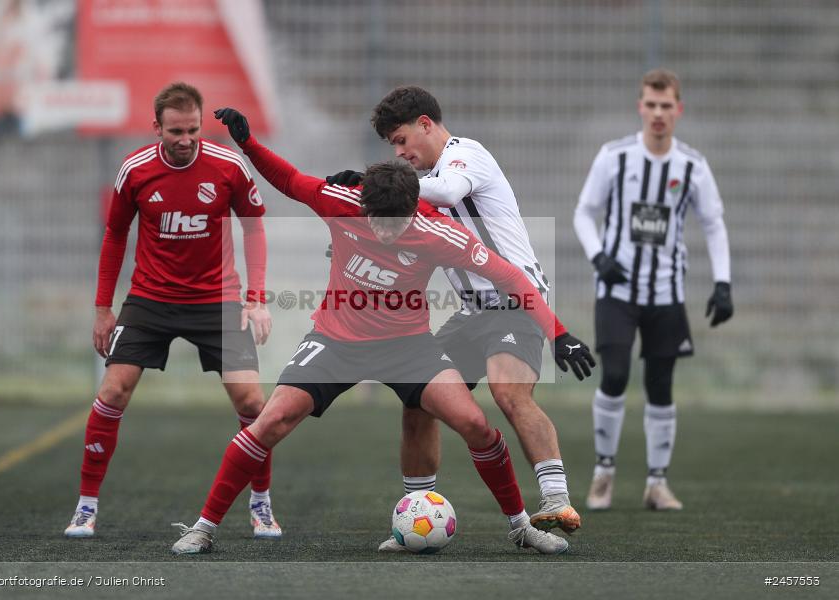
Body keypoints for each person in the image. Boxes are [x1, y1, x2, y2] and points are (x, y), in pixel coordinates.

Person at [169, 107, 595, 556]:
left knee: (474, 422)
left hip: (408, 346)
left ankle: (521, 527)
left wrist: (558, 332)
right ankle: (203, 527)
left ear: (414, 209)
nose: (384, 232)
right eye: (377, 221)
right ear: (363, 205)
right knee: (270, 421)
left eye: (396, 224)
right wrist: (248, 143)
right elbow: (290, 179)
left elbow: (512, 279)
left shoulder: (441, 232)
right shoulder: (341, 201)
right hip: (335, 341)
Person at [327, 85, 584, 550]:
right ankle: (415, 516)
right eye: (393, 149)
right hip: (470, 313)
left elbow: (447, 191)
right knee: (418, 401)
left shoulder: (467, 156)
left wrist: (377, 180)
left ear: (426, 123)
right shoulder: (418, 187)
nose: (401, 153)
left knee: (509, 393)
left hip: (514, 300)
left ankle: (555, 500)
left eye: (403, 140)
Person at [64, 82, 281, 540]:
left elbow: (255, 226)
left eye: (194, 130)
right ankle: (85, 507)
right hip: (151, 299)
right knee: (113, 392)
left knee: (253, 403)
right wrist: (103, 309)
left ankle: (261, 504)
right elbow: (115, 236)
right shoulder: (135, 170)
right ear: (157, 127)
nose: (185, 140)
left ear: (202, 125)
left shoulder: (228, 166)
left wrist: (256, 298)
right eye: (176, 131)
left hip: (218, 299)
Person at [572, 68, 733, 511]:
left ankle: (656, 484)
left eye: (667, 106)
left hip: (666, 292)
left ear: (678, 110)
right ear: (640, 106)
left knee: (661, 386)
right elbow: (584, 212)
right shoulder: (614, 156)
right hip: (617, 290)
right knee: (616, 374)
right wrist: (599, 257)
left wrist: (723, 283)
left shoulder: (692, 166)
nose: (659, 113)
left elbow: (714, 224)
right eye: (651, 104)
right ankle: (604, 473)